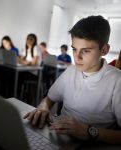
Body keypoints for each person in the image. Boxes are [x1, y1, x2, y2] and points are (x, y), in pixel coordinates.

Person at [24, 16, 121, 144]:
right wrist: (43, 107)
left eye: (86, 51)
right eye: (74, 49)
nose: (77, 57)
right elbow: (49, 99)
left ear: (104, 50)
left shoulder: (116, 80)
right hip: (56, 136)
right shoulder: (70, 71)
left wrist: (88, 131)